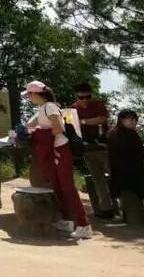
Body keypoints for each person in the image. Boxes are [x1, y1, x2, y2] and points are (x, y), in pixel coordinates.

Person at [25, 80, 93, 240]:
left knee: (67, 186)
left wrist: (40, 134)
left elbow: (56, 128)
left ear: (35, 94)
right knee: (57, 185)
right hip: (54, 149)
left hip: (60, 149)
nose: (28, 98)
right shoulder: (43, 108)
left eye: (29, 94)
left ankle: (84, 225)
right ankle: (68, 220)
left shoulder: (50, 106)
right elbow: (32, 123)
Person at [71, 83, 114, 218]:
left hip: (103, 147)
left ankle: (124, 207)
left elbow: (101, 119)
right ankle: (106, 209)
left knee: (114, 176)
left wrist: (83, 121)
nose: (84, 100)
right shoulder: (73, 108)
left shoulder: (97, 104)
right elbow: (70, 124)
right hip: (88, 148)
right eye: (81, 97)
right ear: (76, 96)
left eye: (87, 97)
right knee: (97, 179)